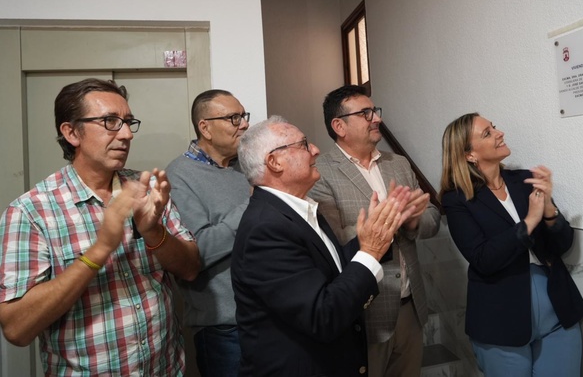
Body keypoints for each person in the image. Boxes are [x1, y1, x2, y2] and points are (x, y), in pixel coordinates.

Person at [0, 78, 201, 376]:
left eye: (129, 122)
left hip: (167, 368)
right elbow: (17, 329)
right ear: (71, 132)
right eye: (110, 121)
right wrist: (100, 249)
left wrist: (154, 234)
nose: (127, 134)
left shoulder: (146, 190)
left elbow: (191, 268)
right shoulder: (30, 212)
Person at [231, 116, 420, 377]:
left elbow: (328, 270)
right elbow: (323, 315)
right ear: (274, 162)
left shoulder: (297, 208)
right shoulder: (265, 229)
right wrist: (370, 252)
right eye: (303, 144)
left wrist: (370, 239)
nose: (316, 149)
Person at [439, 112, 583, 377]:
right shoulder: (457, 200)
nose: (499, 133)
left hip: (558, 312)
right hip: (500, 321)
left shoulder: (524, 180)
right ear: (469, 155)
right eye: (487, 133)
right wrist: (529, 221)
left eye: (493, 127)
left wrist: (550, 208)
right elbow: (483, 258)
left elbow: (562, 244)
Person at [308, 85, 441, 377]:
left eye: (375, 111)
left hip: (411, 305)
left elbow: (431, 216)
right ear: (339, 125)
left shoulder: (399, 164)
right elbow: (331, 241)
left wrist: (414, 221)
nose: (376, 118)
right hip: (366, 310)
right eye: (365, 113)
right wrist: (390, 221)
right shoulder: (321, 171)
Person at [165, 89, 251, 376]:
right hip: (223, 328)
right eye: (234, 118)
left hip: (267, 316)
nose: (245, 124)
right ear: (205, 128)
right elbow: (199, 250)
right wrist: (255, 203)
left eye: (243, 116)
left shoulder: (247, 167)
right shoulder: (179, 175)